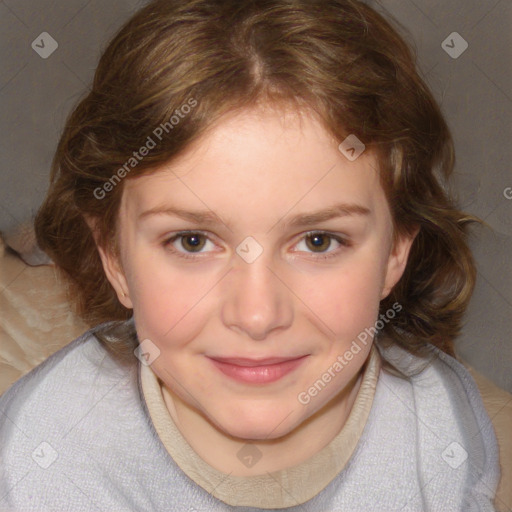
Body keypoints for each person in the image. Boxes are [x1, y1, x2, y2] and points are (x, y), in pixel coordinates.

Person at [0, 0, 500, 510]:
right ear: (113, 257)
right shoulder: (44, 459)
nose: (258, 315)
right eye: (192, 241)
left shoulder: (439, 424)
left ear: (396, 252)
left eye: (318, 241)